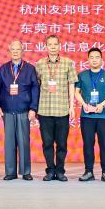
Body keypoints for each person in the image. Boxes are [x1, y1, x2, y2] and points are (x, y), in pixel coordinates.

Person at [0, 40, 39, 180]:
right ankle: (10, 172)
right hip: (7, 110)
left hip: (24, 110)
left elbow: (35, 89)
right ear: (9, 51)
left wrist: (33, 108)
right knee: (9, 143)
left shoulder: (29, 68)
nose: (15, 52)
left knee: (24, 142)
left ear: (22, 51)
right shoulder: (4, 68)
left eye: (18, 49)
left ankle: (26, 172)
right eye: (12, 49)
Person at [36, 35, 77, 182]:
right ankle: (50, 170)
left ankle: (60, 171)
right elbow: (36, 87)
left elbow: (72, 84)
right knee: (47, 144)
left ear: (60, 46)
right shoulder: (40, 64)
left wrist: (72, 106)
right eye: (50, 44)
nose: (53, 47)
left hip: (62, 110)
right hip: (44, 110)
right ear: (46, 47)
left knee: (62, 144)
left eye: (55, 44)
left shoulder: (68, 63)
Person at [75, 48, 105, 182]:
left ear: (102, 60)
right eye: (92, 57)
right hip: (87, 116)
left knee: (104, 144)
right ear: (88, 60)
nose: (94, 60)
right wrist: (84, 104)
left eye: (97, 57)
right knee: (88, 144)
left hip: (103, 116)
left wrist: (102, 105)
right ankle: (88, 171)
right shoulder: (82, 75)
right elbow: (76, 92)